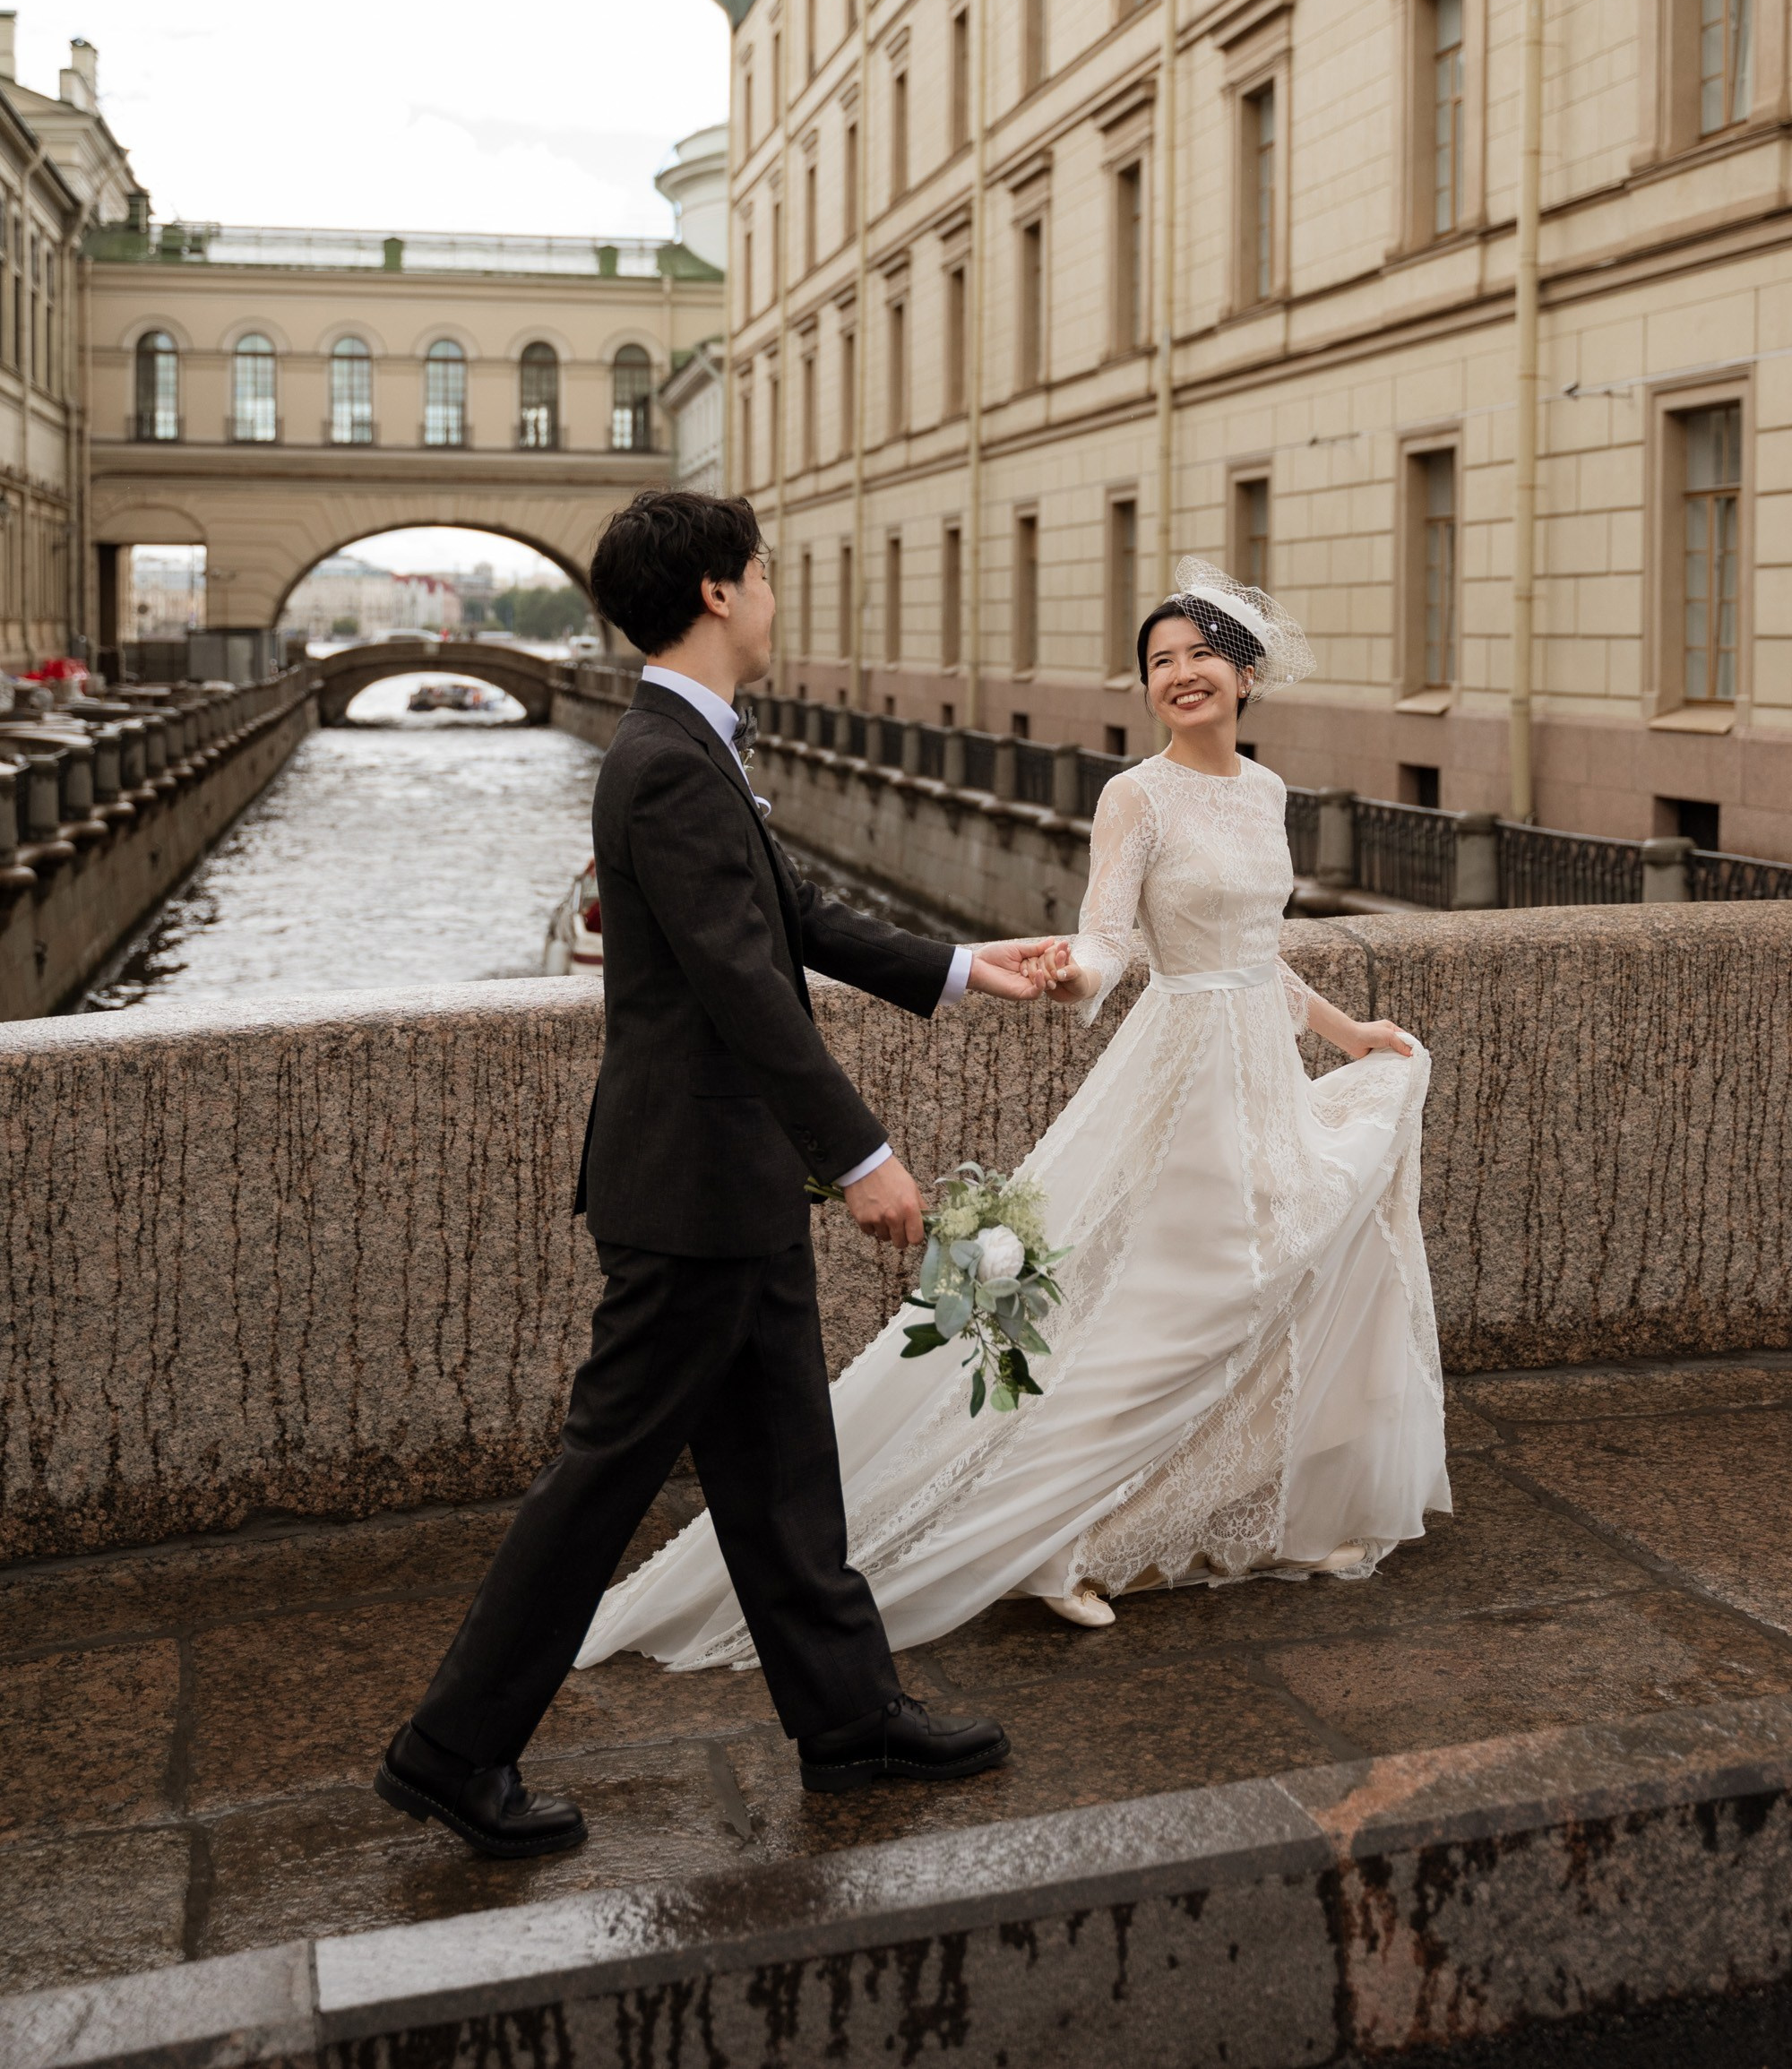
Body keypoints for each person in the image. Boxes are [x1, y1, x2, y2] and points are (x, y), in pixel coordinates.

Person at [576, 556, 1448, 1676]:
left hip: (1261, 1078)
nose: (1177, 676)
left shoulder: (1268, 792)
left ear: (1244, 672)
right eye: (1157, 662)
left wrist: (1347, 1035)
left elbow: (1258, 956)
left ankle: (1239, 1512)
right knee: (1162, 1313)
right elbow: (1111, 938)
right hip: (1180, 1076)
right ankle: (1059, 1540)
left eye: (1197, 657)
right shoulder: (1132, 795)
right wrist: (1070, 974)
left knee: (1270, 1285)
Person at [375, 489, 1064, 1855]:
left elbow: (791, 917)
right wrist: (861, 1153)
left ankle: (850, 1716)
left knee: (780, 1470)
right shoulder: (670, 760)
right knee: (602, 1480)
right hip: (692, 1189)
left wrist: (961, 965)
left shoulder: (684, 745)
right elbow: (745, 981)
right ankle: (453, 1749)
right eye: (763, 573)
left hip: (724, 1182)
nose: (771, 593)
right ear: (714, 593)